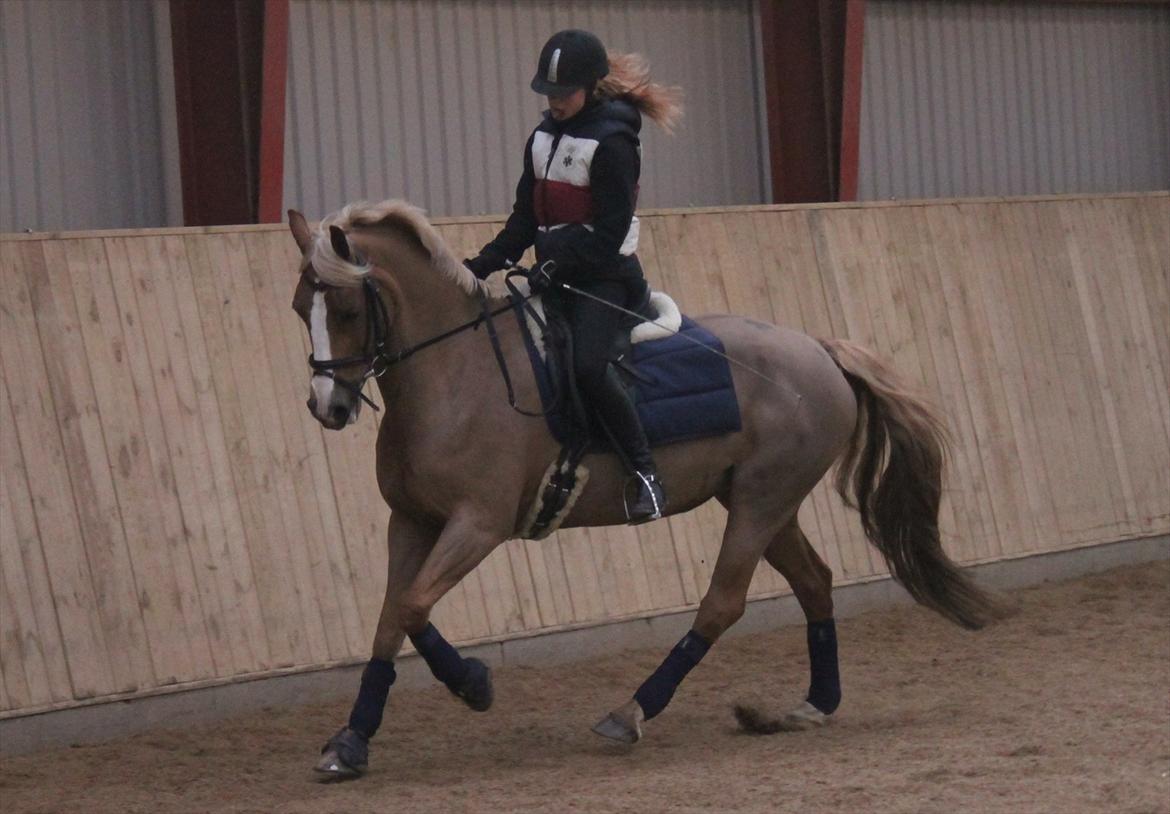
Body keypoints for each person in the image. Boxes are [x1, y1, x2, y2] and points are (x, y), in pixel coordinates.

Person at [464, 29, 681, 524]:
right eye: (548, 93)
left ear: (590, 87)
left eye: (563, 93)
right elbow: (524, 219)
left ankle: (645, 472)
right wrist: (480, 264)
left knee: (586, 366)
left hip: (606, 278)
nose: (554, 101)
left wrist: (556, 265)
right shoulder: (542, 139)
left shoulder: (614, 142)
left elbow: (609, 233)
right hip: (555, 275)